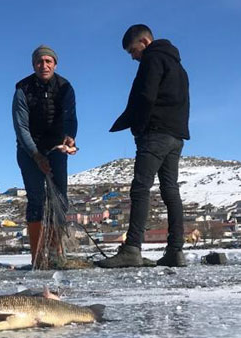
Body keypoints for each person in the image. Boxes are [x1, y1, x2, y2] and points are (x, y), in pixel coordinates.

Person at [95, 24, 190, 268]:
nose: (133, 57)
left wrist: (139, 127)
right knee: (171, 190)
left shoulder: (152, 59)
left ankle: (132, 249)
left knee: (140, 189)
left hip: (155, 134)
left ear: (145, 42)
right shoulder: (178, 67)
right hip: (175, 136)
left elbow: (146, 96)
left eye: (133, 51)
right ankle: (175, 251)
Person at [13, 45, 78, 268]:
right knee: (36, 199)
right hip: (28, 149)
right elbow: (20, 127)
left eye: (48, 61)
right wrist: (35, 155)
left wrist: (70, 137)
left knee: (60, 198)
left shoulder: (65, 87)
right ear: (34, 65)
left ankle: (54, 250)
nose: (44, 65)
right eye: (40, 62)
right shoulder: (22, 89)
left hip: (56, 147)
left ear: (55, 64)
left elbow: (71, 118)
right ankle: (38, 256)